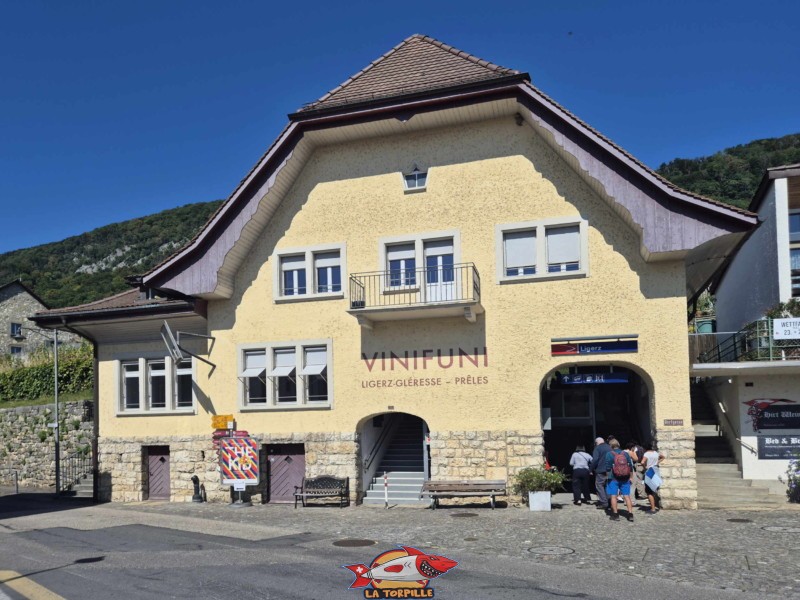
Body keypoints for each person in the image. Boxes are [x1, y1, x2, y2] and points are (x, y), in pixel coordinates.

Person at [602, 439, 635, 521]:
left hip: (613, 478)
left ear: (610, 446)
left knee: (614, 496)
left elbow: (607, 467)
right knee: (627, 496)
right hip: (625, 478)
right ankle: (630, 514)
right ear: (619, 444)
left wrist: (607, 475)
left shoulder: (609, 454)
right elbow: (630, 466)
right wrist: (630, 477)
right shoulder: (626, 454)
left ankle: (615, 514)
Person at [643, 442, 665, 515]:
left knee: (649, 491)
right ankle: (655, 505)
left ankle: (652, 508)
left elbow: (642, 462)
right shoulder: (655, 453)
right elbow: (663, 457)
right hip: (656, 470)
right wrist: (657, 462)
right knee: (654, 488)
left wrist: (645, 467)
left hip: (649, 471)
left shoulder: (646, 454)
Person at [590, 436, 611, 509]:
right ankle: (610, 501)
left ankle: (604, 502)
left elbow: (595, 460)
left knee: (599, 486)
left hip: (600, 470)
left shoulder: (597, 448)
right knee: (607, 486)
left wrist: (590, 469)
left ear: (596, 443)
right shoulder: (609, 447)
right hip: (610, 470)